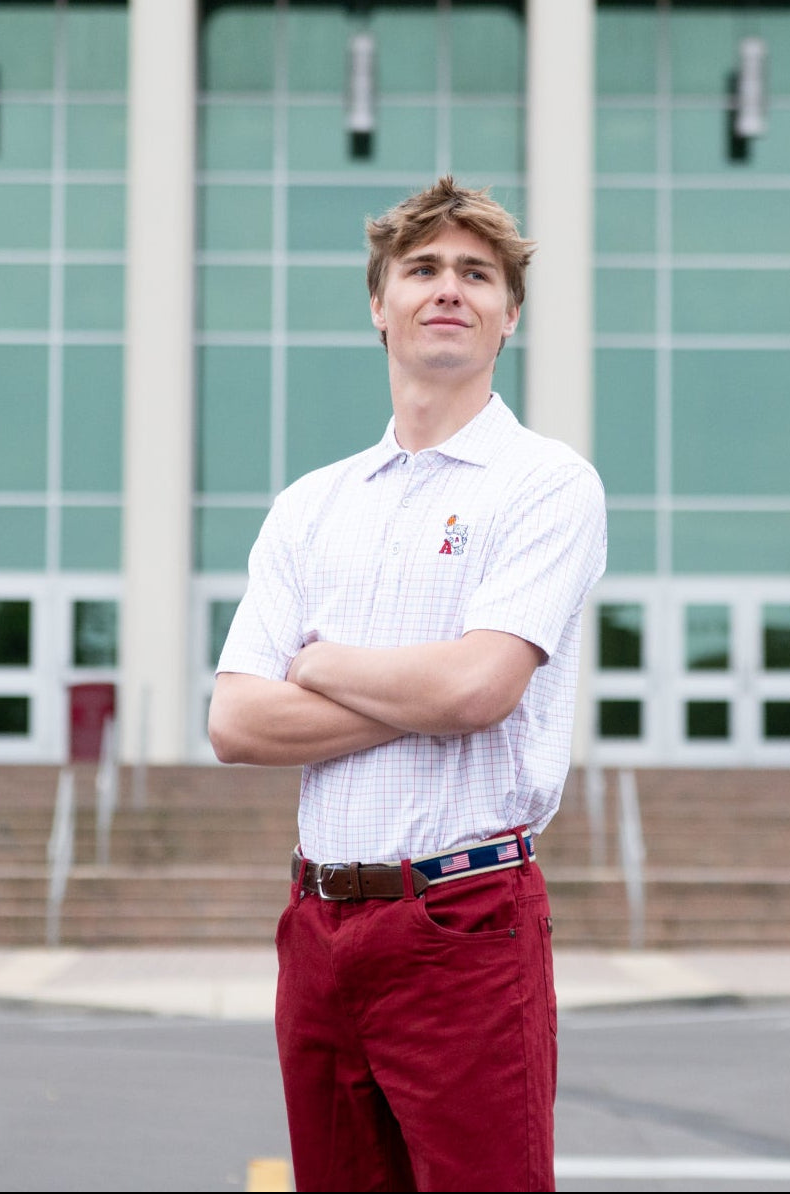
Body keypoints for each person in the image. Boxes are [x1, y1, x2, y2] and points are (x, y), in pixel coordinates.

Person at [208, 176, 607, 1194]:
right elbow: (236, 718)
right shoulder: (312, 505)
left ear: (509, 314)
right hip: (319, 927)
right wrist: (416, 685)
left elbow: (479, 690)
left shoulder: (546, 482)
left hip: (463, 919)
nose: (449, 288)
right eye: (422, 268)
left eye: (477, 273)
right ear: (377, 302)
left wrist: (328, 660)